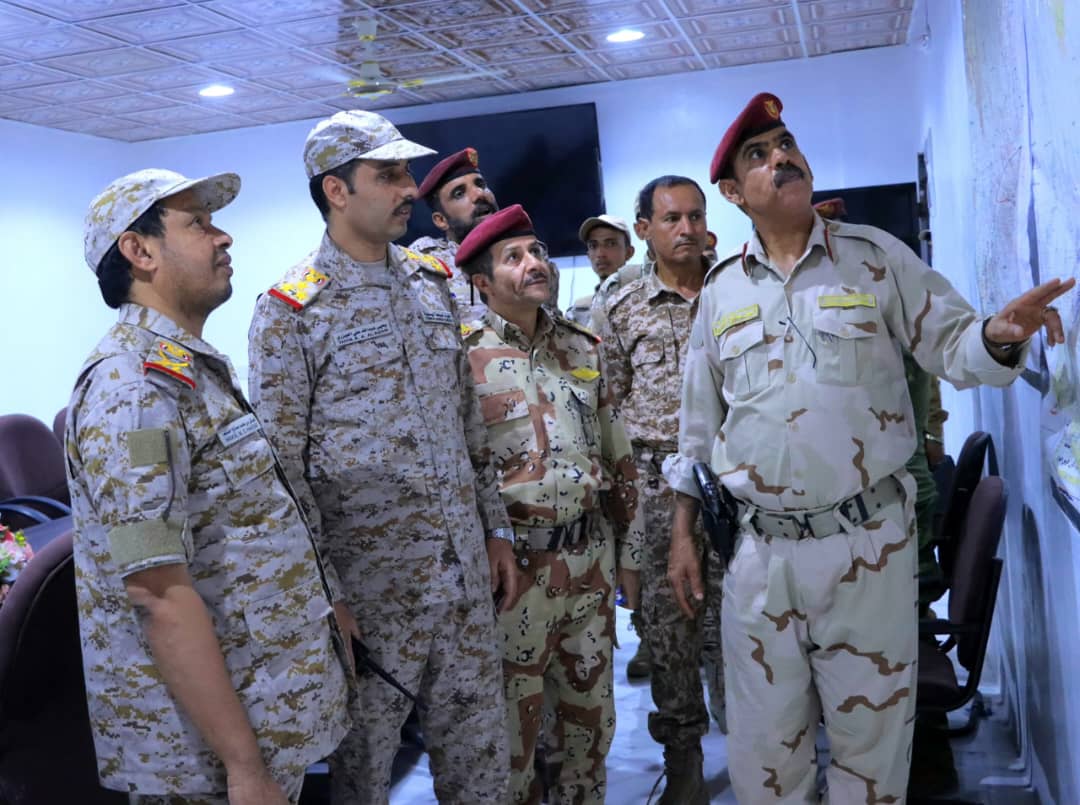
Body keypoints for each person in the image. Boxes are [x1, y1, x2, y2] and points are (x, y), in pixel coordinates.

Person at [666, 92, 1073, 803]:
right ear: (733, 192)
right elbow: (698, 425)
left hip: (867, 548)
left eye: (786, 143)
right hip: (760, 556)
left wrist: (997, 335)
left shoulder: (875, 257)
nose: (781, 157)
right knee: (765, 763)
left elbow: (952, 343)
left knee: (872, 759)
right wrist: (682, 533)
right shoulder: (721, 291)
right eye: (758, 155)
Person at [247, 111, 515, 805]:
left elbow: (467, 423)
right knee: (364, 780)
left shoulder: (432, 283)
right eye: (388, 174)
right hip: (370, 601)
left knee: (483, 773)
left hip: (462, 583)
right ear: (336, 191)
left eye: (406, 173)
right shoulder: (291, 311)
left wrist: (495, 528)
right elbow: (282, 475)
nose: (408, 188)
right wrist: (325, 596)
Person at [67, 168, 351, 804]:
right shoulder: (132, 388)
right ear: (138, 252)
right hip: (206, 758)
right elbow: (155, 592)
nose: (224, 237)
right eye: (197, 224)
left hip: (260, 708)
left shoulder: (187, 370)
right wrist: (243, 766)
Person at [455, 204, 644, 804]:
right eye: (513, 257)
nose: (534, 263)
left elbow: (617, 455)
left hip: (589, 564)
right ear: (482, 282)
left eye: (536, 251)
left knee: (589, 732)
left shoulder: (581, 347)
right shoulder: (459, 357)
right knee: (511, 743)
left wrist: (630, 557)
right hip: (515, 578)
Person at [591, 176, 726, 804]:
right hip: (655, 487)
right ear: (644, 228)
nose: (687, 229)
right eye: (671, 218)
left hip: (734, 483)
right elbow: (608, 403)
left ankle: (763, 750)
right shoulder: (620, 304)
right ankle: (684, 761)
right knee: (670, 632)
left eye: (695, 216)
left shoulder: (734, 287)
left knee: (746, 622)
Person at [410, 146, 499, 319]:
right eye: (459, 193)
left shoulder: (529, 253)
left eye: (480, 184)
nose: (479, 194)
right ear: (441, 220)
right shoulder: (426, 264)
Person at [567, 214, 636, 328]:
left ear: (629, 252)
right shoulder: (579, 311)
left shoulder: (646, 300)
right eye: (593, 246)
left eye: (610, 244)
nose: (600, 254)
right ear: (588, 255)